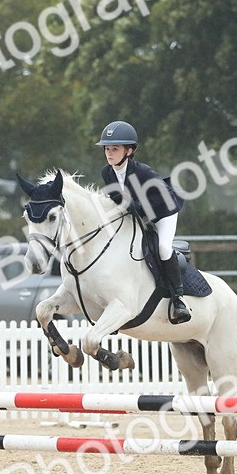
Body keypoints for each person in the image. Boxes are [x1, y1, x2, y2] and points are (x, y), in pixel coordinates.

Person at [97, 120, 191, 324]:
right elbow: (118, 200)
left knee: (164, 248)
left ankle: (179, 299)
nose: (109, 153)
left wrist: (138, 206)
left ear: (129, 151)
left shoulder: (143, 172)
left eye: (115, 149)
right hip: (138, 214)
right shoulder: (107, 172)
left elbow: (164, 196)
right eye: (107, 148)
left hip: (164, 211)